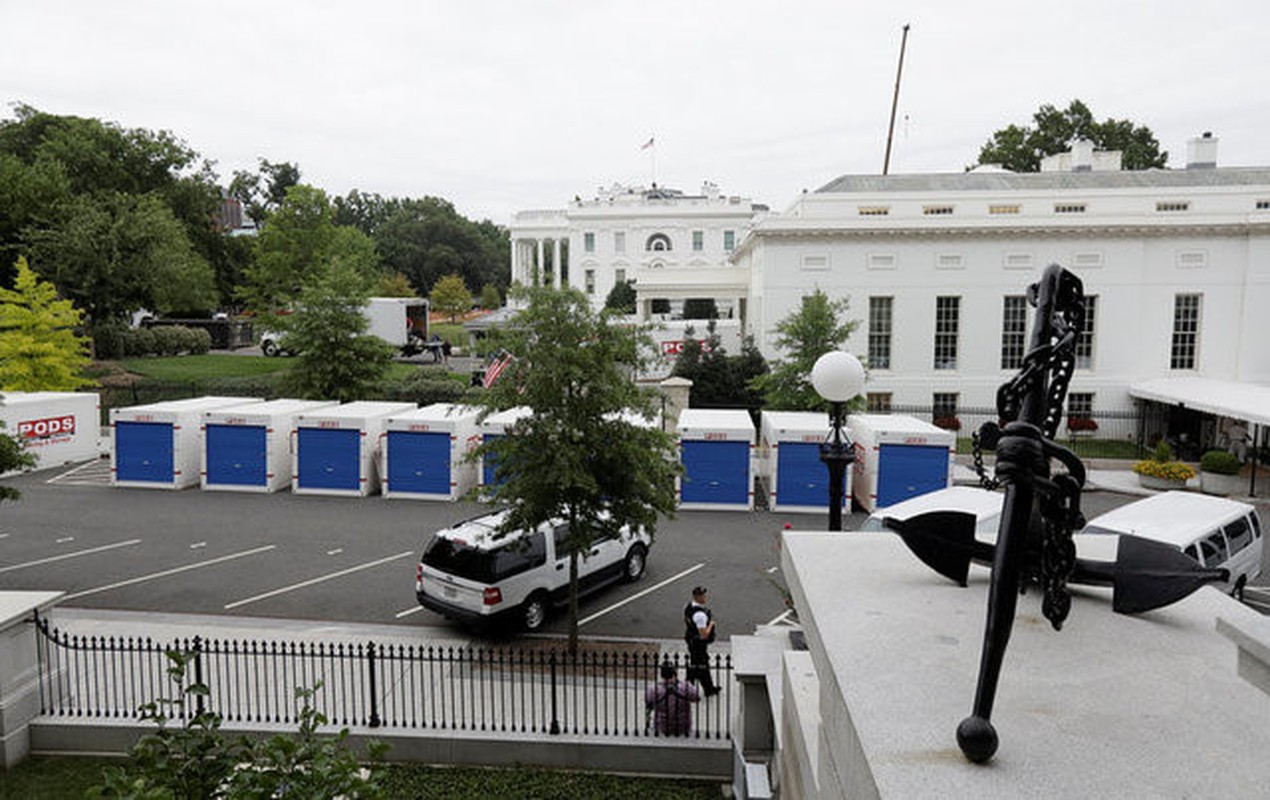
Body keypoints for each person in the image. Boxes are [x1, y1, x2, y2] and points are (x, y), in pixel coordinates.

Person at [683, 585, 720, 696]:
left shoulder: (688, 606)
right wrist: (711, 625)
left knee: (695, 665)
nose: (705, 597)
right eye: (702, 595)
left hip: (691, 640)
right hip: (698, 643)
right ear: (696, 597)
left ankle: (703, 688)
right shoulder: (700, 615)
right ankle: (704, 690)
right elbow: (703, 635)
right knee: (702, 665)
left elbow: (686, 620)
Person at [645, 662, 699, 736]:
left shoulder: (654, 689)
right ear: (675, 673)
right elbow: (696, 698)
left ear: (661, 675)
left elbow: (648, 702)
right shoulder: (686, 687)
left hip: (662, 726)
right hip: (683, 726)